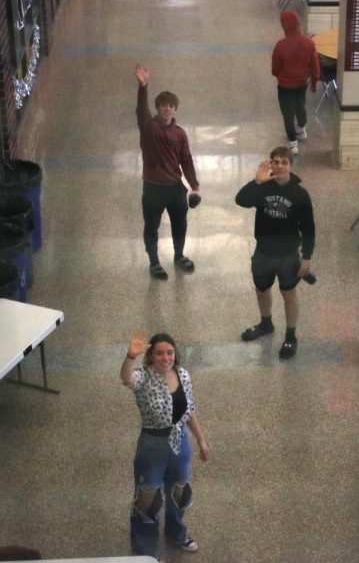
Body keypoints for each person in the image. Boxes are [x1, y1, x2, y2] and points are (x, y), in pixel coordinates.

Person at [120, 328, 210, 559]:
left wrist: (200, 439)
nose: (165, 358)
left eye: (170, 353)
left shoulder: (183, 375)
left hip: (180, 441)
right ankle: (144, 550)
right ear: (150, 356)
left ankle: (176, 533)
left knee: (179, 492)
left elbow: (189, 411)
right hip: (152, 445)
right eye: (159, 353)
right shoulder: (144, 377)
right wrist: (130, 356)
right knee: (147, 499)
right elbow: (126, 378)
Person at [235, 146, 316, 359]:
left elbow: (309, 228)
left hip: (288, 254)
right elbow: (241, 200)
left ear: (290, 165)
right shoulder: (263, 188)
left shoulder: (300, 194)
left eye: (284, 162)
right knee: (262, 290)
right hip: (263, 252)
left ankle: (291, 336)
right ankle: (266, 324)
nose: (279, 166)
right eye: (275, 162)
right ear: (270, 164)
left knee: (288, 294)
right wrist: (257, 181)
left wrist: (306, 257)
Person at [134, 63, 201, 280]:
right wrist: (143, 86)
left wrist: (195, 186)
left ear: (175, 109)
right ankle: (154, 262)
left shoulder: (180, 134)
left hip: (175, 188)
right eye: (163, 105)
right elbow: (141, 111)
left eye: (171, 106)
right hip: (153, 188)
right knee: (151, 226)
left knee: (180, 224)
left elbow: (186, 160)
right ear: (157, 108)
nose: (167, 109)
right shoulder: (148, 128)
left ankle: (179, 255)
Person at [272, 11, 320, 156]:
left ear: (284, 26)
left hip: (285, 87)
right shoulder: (309, 43)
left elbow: (275, 69)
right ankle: (301, 128)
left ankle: (293, 143)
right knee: (300, 106)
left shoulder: (280, 45)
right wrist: (314, 83)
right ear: (298, 23)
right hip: (301, 84)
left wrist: (281, 76)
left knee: (287, 114)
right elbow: (315, 65)